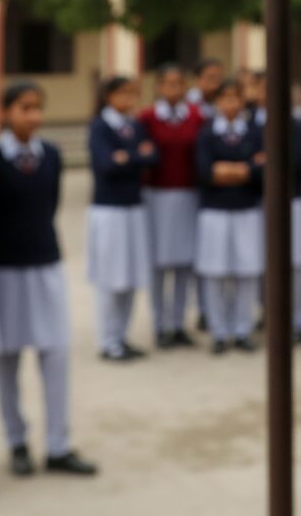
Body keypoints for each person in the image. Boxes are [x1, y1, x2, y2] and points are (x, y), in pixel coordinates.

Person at [0, 81, 97, 478]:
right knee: (8, 359)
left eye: (37, 107)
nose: (32, 116)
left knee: (55, 354)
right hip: (4, 269)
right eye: (24, 107)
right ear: (5, 112)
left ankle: (58, 444)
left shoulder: (50, 154)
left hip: (45, 262)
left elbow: (49, 204)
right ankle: (16, 441)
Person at [87, 76, 157, 361]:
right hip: (109, 210)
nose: (129, 99)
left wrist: (125, 158)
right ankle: (108, 340)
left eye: (133, 93)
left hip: (133, 207)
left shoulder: (135, 125)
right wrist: (135, 156)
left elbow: (152, 157)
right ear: (108, 96)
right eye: (123, 93)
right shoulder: (100, 127)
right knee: (110, 276)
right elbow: (106, 165)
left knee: (130, 275)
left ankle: (122, 336)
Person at [195, 80, 263, 354]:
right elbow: (205, 171)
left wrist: (228, 169)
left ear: (243, 102)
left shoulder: (255, 132)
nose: (230, 104)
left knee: (246, 272)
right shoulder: (207, 133)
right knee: (215, 273)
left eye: (235, 98)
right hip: (215, 211)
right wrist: (243, 169)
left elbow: (262, 168)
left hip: (246, 209)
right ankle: (219, 331)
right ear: (216, 103)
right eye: (224, 99)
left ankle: (243, 329)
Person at [138, 63, 204, 348]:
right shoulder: (148, 118)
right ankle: (159, 324)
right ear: (159, 87)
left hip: (188, 195)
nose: (173, 89)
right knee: (158, 265)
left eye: (179, 83)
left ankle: (178, 323)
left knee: (184, 264)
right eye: (168, 84)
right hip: (157, 196)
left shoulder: (196, 117)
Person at [252, 73, 301, 343]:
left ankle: (299, 319)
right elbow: (246, 160)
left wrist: (267, 160)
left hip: (292, 200)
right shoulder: (250, 124)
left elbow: (300, 160)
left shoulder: (295, 125)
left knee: (296, 262)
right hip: (258, 200)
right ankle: (268, 312)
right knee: (261, 260)